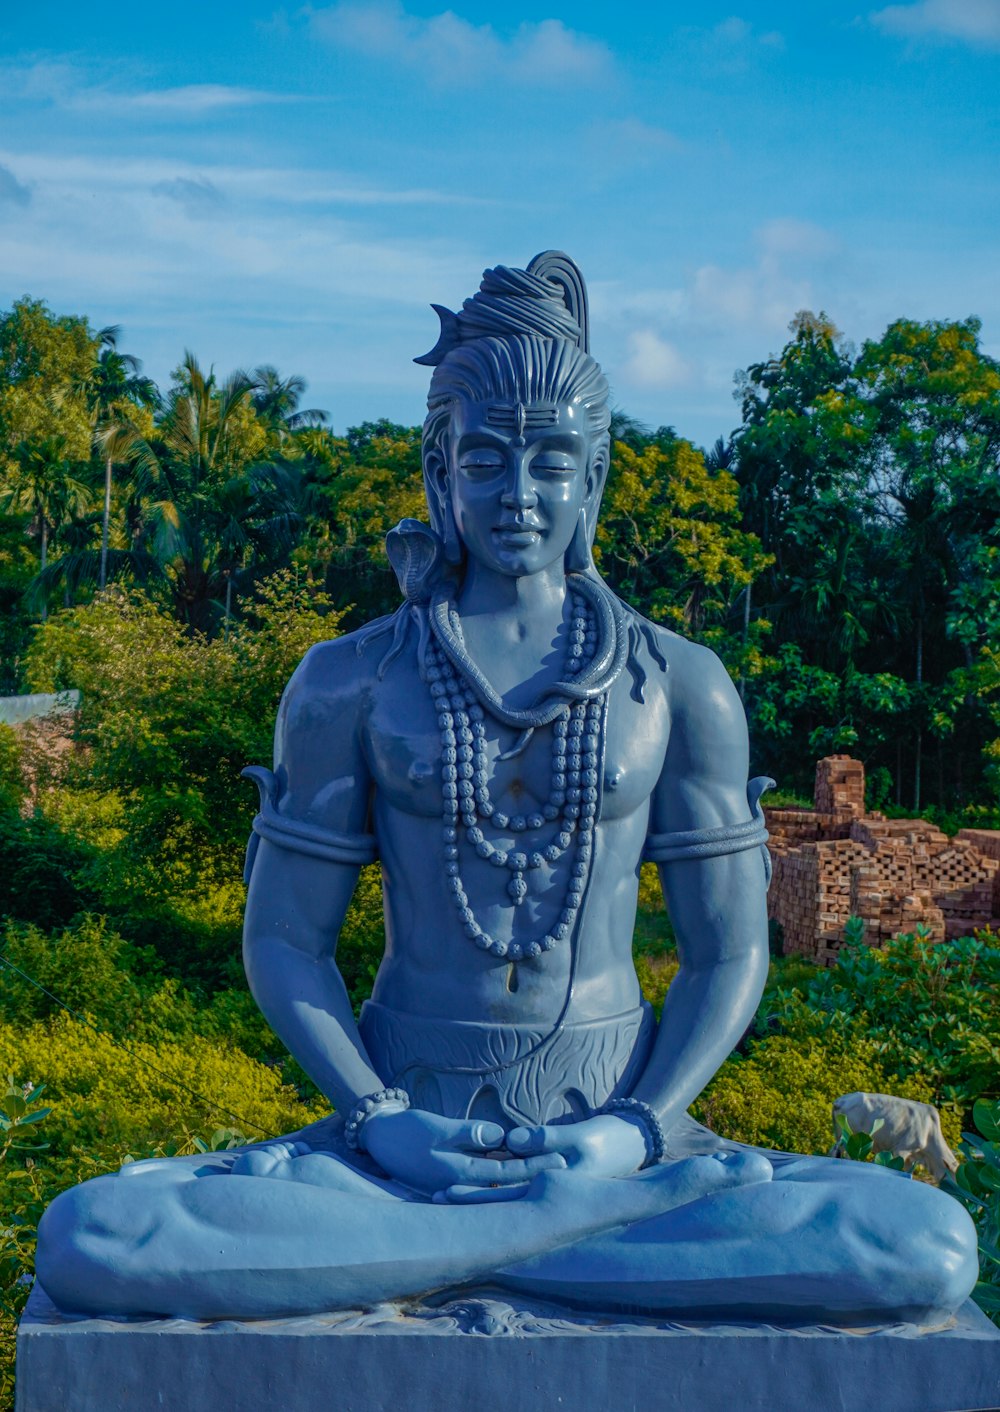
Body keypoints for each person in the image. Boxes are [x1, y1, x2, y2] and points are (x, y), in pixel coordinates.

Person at [37, 256, 977, 1325]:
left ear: (595, 474)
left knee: (921, 1243)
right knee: (92, 1234)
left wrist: (636, 1128)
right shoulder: (349, 679)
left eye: (549, 460)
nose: (517, 494)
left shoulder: (680, 684)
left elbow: (727, 950)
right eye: (484, 458)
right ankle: (534, 1244)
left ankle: (424, 1256)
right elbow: (287, 941)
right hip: (394, 1143)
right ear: (440, 471)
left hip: (620, 1133)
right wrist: (375, 1114)